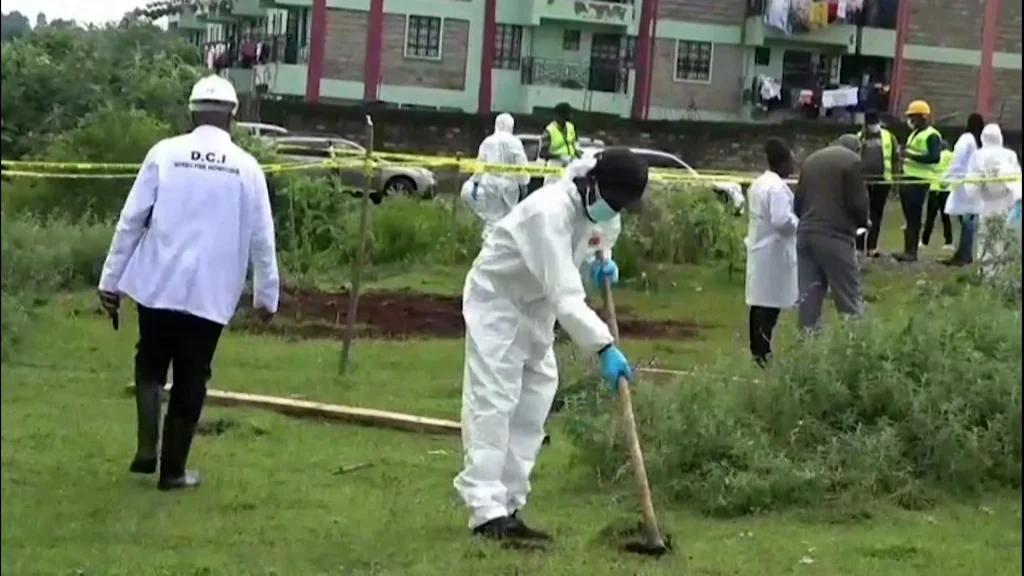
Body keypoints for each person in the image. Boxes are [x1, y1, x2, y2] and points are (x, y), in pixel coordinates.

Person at [97, 75, 280, 491]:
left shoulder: (165, 153)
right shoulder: (247, 168)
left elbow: (131, 221)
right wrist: (267, 296)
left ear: (191, 112)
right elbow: (262, 238)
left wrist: (111, 281)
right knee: (192, 374)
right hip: (210, 291)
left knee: (149, 361)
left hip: (156, 283)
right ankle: (174, 472)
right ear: (233, 117)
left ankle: (147, 447)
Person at [454, 148, 646, 543]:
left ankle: (508, 504)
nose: (614, 211)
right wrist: (604, 347)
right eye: (612, 203)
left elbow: (600, 233)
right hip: (498, 303)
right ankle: (485, 511)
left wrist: (600, 259)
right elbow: (566, 296)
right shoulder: (548, 212)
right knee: (494, 401)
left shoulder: (595, 206)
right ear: (593, 184)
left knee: (533, 405)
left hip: (535, 310)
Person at [793, 134, 868, 332]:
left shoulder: (811, 160)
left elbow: (798, 203)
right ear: (857, 149)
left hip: (805, 235)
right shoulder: (852, 161)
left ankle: (807, 349)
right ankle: (856, 347)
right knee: (848, 298)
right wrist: (863, 222)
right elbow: (858, 202)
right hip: (835, 237)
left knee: (809, 298)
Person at [744, 138, 799, 366]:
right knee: (769, 306)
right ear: (784, 162)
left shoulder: (760, 183)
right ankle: (762, 352)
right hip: (774, 251)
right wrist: (800, 222)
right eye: (792, 161)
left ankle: (758, 350)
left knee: (760, 302)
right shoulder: (776, 187)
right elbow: (781, 220)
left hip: (761, 247)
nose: (793, 167)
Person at [963, 123, 1023, 277]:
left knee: (988, 235)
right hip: (1005, 202)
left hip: (989, 203)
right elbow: (1017, 177)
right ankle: (1001, 272)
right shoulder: (1009, 154)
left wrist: (972, 195)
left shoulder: (978, 155)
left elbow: (972, 182)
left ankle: (988, 272)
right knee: (1004, 236)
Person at [461, 113, 530, 240]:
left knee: (492, 218)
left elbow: (480, 165)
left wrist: (475, 182)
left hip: (489, 184)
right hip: (510, 187)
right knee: (507, 218)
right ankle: (502, 246)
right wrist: (523, 184)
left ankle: (488, 245)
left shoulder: (488, 141)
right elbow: (521, 166)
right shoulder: (516, 142)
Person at [895, 100, 943, 262]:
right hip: (908, 178)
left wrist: (910, 156)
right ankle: (907, 250)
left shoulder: (932, 135)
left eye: (913, 117)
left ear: (923, 117)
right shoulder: (915, 134)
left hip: (919, 181)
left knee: (914, 217)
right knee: (908, 217)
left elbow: (934, 157)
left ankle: (912, 252)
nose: (910, 120)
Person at [941, 113, 985, 266]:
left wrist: (946, 178)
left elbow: (957, 162)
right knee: (969, 219)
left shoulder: (966, 139)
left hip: (965, 185)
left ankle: (964, 254)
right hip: (976, 185)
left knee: (967, 220)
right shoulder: (980, 142)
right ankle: (963, 252)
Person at [856, 111, 899, 256]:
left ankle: (872, 246)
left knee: (876, 214)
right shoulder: (859, 137)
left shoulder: (889, 136)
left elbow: (895, 159)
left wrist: (895, 181)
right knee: (861, 215)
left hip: (883, 181)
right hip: (863, 182)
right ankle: (859, 247)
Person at [921, 140, 955, 249]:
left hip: (935, 188)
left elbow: (929, 168)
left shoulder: (936, 156)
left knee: (930, 217)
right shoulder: (953, 156)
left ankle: (924, 241)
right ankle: (948, 242)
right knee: (946, 218)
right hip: (948, 189)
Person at [539, 102, 582, 185]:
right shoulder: (549, 130)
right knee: (552, 191)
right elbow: (542, 153)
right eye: (564, 116)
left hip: (570, 164)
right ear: (557, 115)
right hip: (555, 165)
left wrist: (579, 155)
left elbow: (574, 146)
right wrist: (560, 157)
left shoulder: (571, 127)